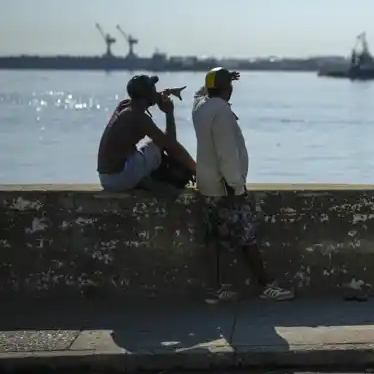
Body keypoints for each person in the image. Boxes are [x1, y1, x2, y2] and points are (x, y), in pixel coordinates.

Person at [192, 67, 294, 303]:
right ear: (229, 88)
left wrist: (219, 78)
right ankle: (265, 285)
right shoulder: (223, 114)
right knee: (246, 236)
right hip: (224, 187)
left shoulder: (200, 107)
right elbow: (226, 154)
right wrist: (237, 187)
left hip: (206, 184)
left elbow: (199, 92)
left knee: (213, 237)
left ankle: (214, 290)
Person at [96, 74, 196, 191]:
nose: (156, 91)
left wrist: (162, 94)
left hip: (107, 177)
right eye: (153, 89)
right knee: (157, 146)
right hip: (118, 179)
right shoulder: (138, 116)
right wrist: (169, 113)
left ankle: (143, 179)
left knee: (153, 145)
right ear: (147, 95)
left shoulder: (125, 105)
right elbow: (170, 143)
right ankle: (196, 171)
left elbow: (146, 99)